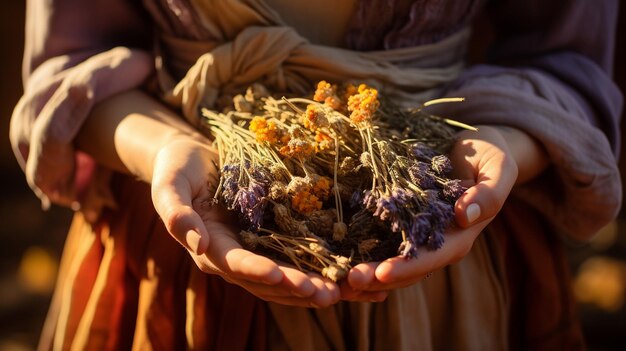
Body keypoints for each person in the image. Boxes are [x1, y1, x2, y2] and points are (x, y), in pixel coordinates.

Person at [10, 0, 622, 350]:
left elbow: (566, 62)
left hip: (444, 258)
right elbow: (72, 65)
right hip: (184, 258)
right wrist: (166, 146)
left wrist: (500, 145)